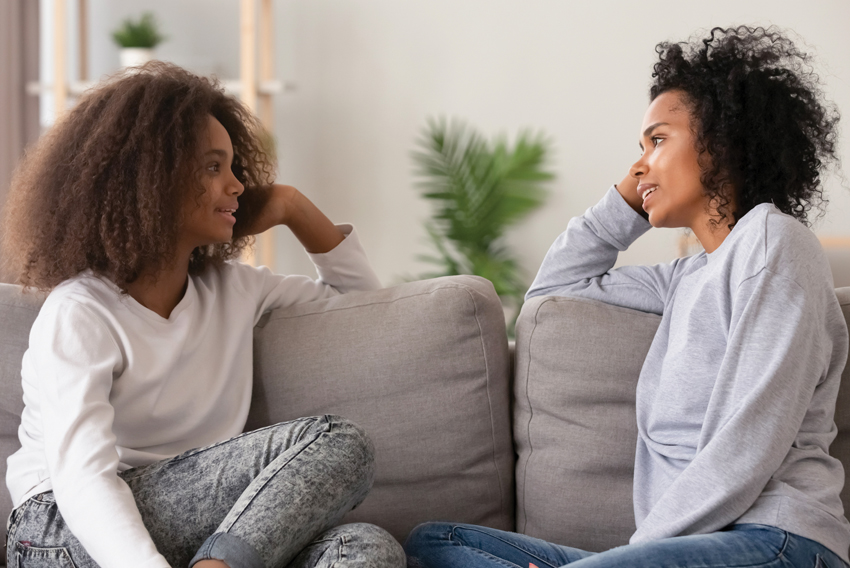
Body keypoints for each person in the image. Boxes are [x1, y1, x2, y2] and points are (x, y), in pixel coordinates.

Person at [404, 25, 850, 568]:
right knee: (435, 542)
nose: (640, 166)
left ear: (723, 142)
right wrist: (626, 201)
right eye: (639, 148)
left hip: (777, 540)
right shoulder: (684, 279)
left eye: (658, 140)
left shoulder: (775, 242)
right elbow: (553, 291)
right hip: (682, 547)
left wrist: (639, 554)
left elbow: (747, 444)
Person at [2, 62, 406, 568]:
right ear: (148, 180)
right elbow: (83, 478)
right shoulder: (79, 311)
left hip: (202, 533)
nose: (237, 185)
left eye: (235, 167)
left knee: (366, 547)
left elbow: (364, 308)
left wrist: (293, 208)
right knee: (338, 443)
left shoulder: (236, 289)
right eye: (213, 167)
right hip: (61, 531)